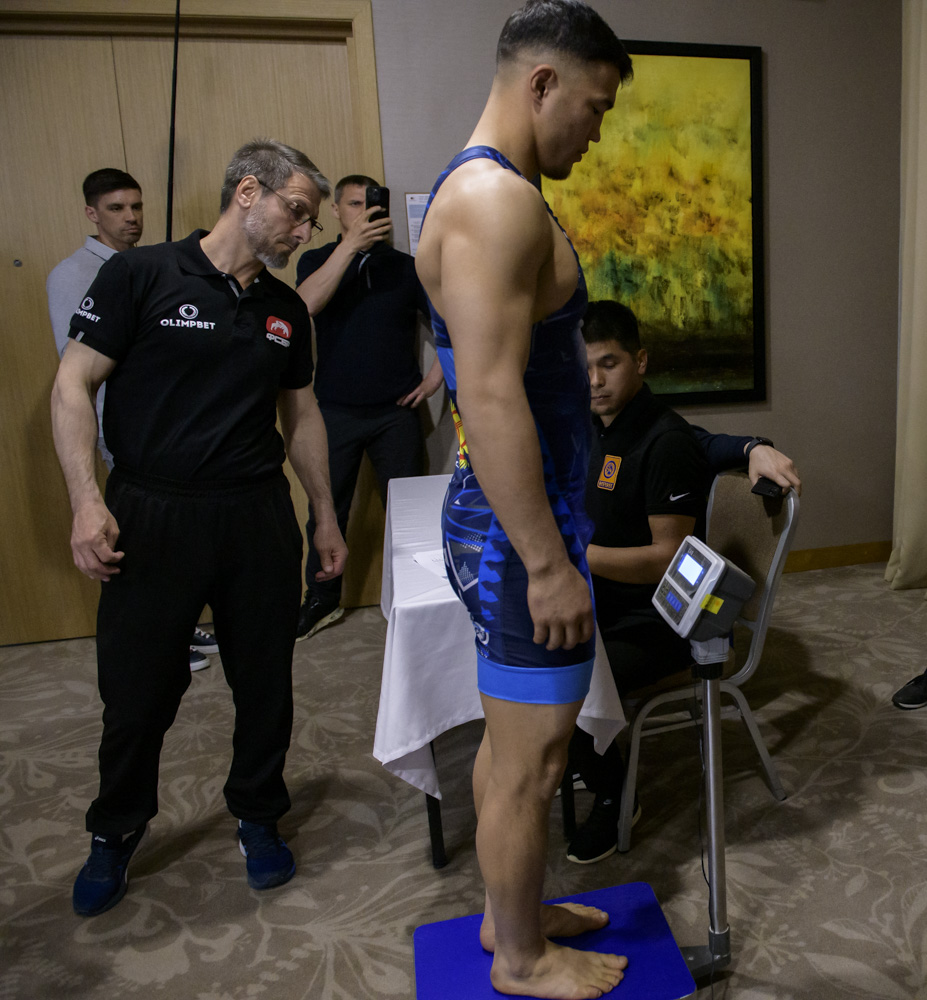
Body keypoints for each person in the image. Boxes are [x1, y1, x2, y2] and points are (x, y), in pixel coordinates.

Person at [50, 138, 347, 918]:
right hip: (153, 512)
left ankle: (257, 812)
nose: (302, 232)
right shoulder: (142, 275)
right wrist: (86, 500)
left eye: (311, 223)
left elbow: (302, 416)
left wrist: (323, 513)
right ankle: (116, 828)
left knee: (265, 682)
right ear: (247, 192)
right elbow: (73, 382)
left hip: (255, 516)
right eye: (296, 212)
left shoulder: (285, 310)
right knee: (138, 692)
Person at [415, 3, 634, 996]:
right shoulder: (493, 201)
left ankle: (514, 911)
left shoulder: (499, 192)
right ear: (542, 83)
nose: (595, 132)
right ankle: (519, 957)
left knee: (518, 750)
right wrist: (546, 562)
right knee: (533, 763)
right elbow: (491, 394)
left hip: (525, 521)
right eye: (594, 108)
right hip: (516, 538)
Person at [567, 300, 801, 863]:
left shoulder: (663, 442)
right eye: (585, 366)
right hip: (607, 604)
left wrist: (576, 557)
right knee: (531, 640)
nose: (594, 380)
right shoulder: (599, 425)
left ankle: (614, 794)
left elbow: (665, 559)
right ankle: (580, 748)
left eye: (609, 363)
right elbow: (701, 438)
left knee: (563, 676)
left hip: (661, 622)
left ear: (640, 361)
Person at [46, 168, 217, 672]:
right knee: (141, 542)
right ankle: (162, 641)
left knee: (178, 540)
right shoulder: (73, 274)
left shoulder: (152, 266)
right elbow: (76, 368)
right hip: (119, 431)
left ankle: (182, 624)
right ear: (91, 213)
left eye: (137, 207)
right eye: (117, 209)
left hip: (168, 430)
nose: (131, 218)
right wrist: (108, 435)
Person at [294, 175, 443, 640]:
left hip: (395, 414)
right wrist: (350, 248)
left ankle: (416, 601)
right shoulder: (316, 260)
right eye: (355, 204)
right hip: (333, 412)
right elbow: (303, 307)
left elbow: (449, 325)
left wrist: (434, 380)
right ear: (336, 210)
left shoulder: (406, 268)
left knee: (411, 513)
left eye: (374, 204)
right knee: (326, 512)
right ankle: (322, 599)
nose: (366, 212)